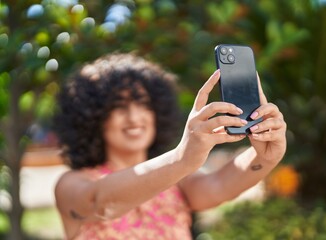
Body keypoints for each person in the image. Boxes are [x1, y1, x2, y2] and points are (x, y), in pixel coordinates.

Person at [53, 52, 287, 240]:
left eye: (143, 104)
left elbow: (219, 187)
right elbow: (101, 203)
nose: (134, 117)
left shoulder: (179, 179)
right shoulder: (72, 184)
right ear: (93, 118)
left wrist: (264, 157)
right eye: (119, 107)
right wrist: (181, 159)